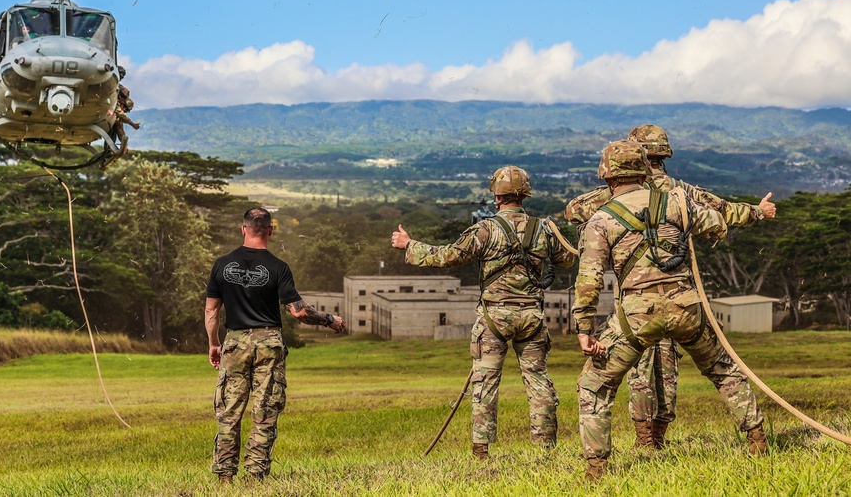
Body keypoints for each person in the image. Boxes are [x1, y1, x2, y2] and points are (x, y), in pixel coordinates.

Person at [565, 124, 776, 450]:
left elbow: (575, 217)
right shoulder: (680, 194)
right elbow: (720, 215)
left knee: (613, 380)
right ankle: (758, 440)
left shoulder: (606, 207)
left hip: (637, 311)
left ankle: (623, 453)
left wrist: (582, 327)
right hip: (685, 303)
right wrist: (757, 212)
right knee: (716, 370)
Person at [391, 166, 576, 458]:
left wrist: (409, 245)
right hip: (531, 317)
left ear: (496, 195)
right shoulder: (544, 228)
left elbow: (448, 256)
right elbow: (566, 260)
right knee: (539, 381)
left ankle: (481, 451)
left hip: (494, 319)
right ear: (525, 194)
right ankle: (545, 449)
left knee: (485, 384)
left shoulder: (485, 229)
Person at [205, 207, 345, 485]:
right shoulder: (278, 267)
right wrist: (329, 320)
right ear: (270, 231)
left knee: (229, 410)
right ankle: (255, 477)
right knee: (265, 409)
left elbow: (211, 311)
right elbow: (299, 312)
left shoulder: (222, 264)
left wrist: (214, 344)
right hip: (269, 342)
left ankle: (225, 479)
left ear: (243, 229)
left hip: (234, 341)